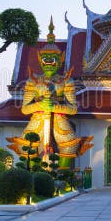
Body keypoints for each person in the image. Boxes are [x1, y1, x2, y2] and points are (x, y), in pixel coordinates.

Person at [7, 18, 92, 168]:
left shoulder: (66, 81)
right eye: (45, 58)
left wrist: (55, 107)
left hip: (59, 117)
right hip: (38, 117)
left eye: (53, 58)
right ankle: (33, 175)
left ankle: (64, 177)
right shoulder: (32, 81)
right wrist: (40, 104)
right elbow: (25, 108)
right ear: (40, 60)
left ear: (60, 60)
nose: (48, 61)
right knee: (27, 145)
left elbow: (72, 108)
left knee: (69, 145)